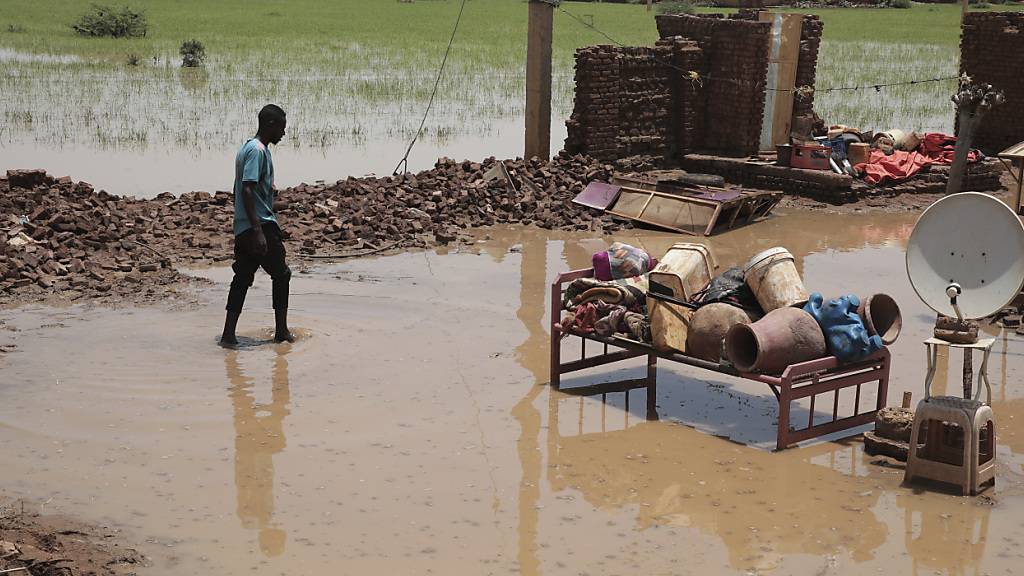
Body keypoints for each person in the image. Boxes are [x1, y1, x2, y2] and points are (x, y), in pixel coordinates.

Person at [220, 104, 294, 346]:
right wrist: (258, 231)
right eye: (282, 127)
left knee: (241, 278)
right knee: (282, 275)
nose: (284, 133)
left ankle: (228, 336)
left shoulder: (249, 148)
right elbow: (247, 188)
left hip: (244, 227)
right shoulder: (258, 151)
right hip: (259, 226)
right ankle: (281, 331)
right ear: (270, 124)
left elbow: (253, 190)